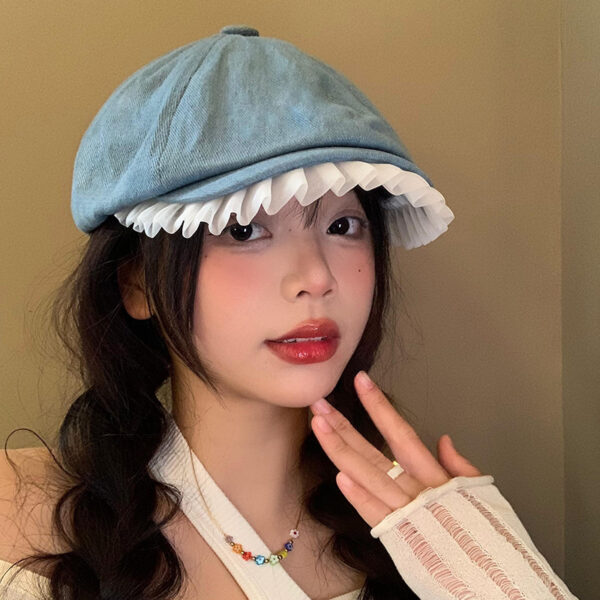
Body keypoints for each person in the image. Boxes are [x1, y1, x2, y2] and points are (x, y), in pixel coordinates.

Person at [0, 25, 578, 600]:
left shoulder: (429, 532)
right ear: (137, 284)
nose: (317, 278)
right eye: (245, 230)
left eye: (342, 225)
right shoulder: (14, 511)